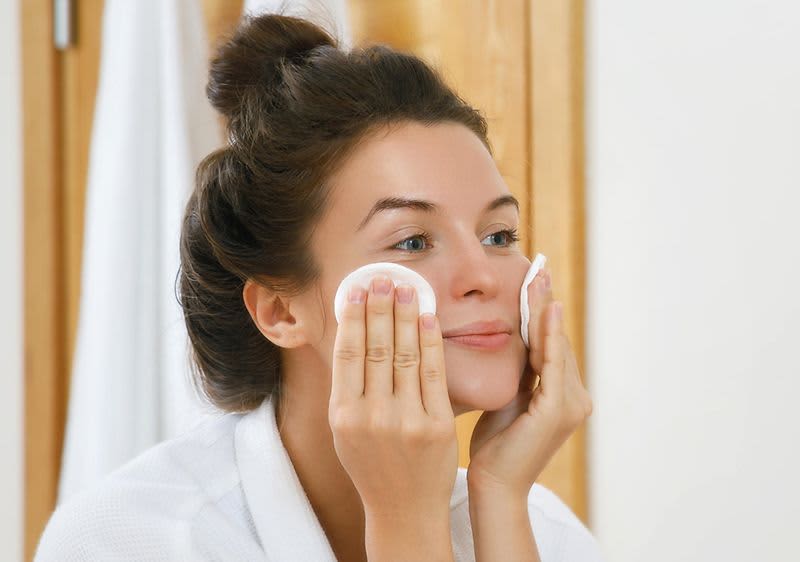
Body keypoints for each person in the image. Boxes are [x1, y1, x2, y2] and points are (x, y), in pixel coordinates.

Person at [35, 12, 603, 562]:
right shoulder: (128, 542)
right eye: (411, 242)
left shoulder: (545, 535)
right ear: (281, 310)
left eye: (500, 234)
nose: (483, 275)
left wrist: (500, 496)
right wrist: (406, 525)